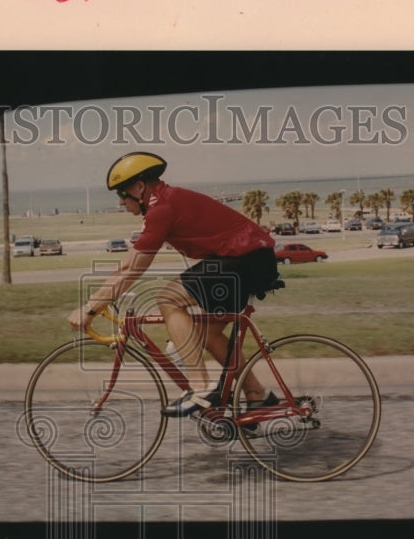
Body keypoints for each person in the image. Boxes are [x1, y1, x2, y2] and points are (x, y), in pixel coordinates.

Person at [67, 152, 280, 417]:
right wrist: (97, 302)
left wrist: (89, 308)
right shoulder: (163, 203)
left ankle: (200, 387)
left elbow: (133, 269)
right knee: (207, 334)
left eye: (122, 193)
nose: (121, 201)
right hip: (248, 258)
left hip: (244, 259)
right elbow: (127, 264)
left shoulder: (162, 209)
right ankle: (257, 395)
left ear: (139, 187)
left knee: (168, 299)